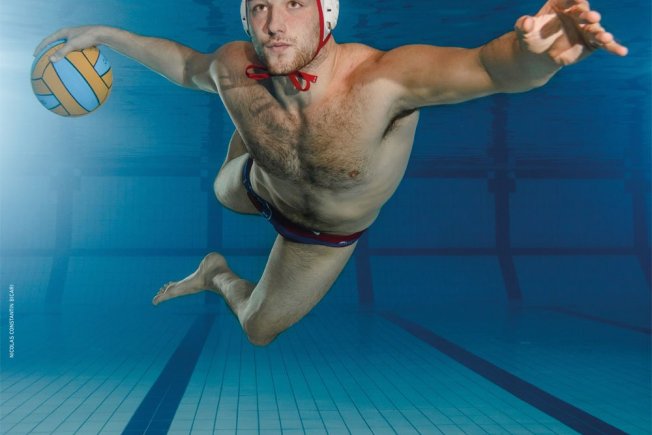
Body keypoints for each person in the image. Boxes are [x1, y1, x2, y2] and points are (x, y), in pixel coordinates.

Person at [35, 0, 627, 346]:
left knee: (258, 330)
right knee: (222, 183)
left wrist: (534, 56)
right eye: (260, 7)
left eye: (293, 3)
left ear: (327, 12)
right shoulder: (234, 62)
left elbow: (491, 69)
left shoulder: (385, 79)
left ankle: (214, 274)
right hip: (259, 182)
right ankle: (256, 133)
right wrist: (106, 34)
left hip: (318, 233)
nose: (273, 23)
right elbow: (185, 63)